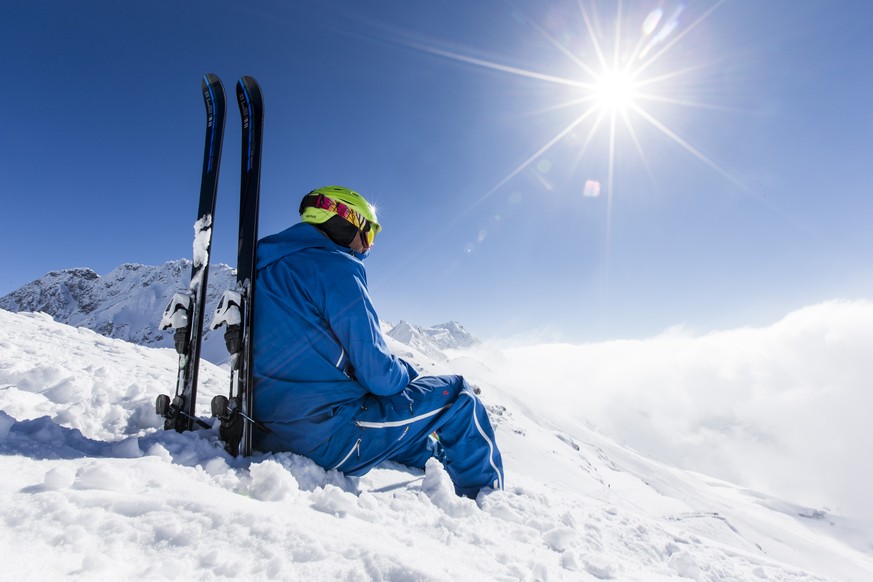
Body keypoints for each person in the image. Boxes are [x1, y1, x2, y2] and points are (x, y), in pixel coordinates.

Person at [252, 185, 504, 498]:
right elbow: (380, 376)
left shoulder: (262, 265)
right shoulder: (337, 267)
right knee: (460, 395)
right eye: (369, 234)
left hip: (265, 429)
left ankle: (439, 464)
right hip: (326, 439)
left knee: (402, 428)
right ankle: (488, 498)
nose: (368, 247)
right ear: (347, 222)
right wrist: (411, 377)